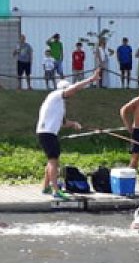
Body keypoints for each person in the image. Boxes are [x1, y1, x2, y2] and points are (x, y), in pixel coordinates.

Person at [36, 69, 102, 200]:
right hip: (47, 133)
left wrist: (74, 124)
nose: (71, 94)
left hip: (48, 133)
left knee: (52, 161)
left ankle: (45, 187)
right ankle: (56, 191)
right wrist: (90, 80)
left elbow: (63, 122)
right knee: (54, 161)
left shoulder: (59, 104)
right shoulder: (56, 96)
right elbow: (75, 89)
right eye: (68, 90)